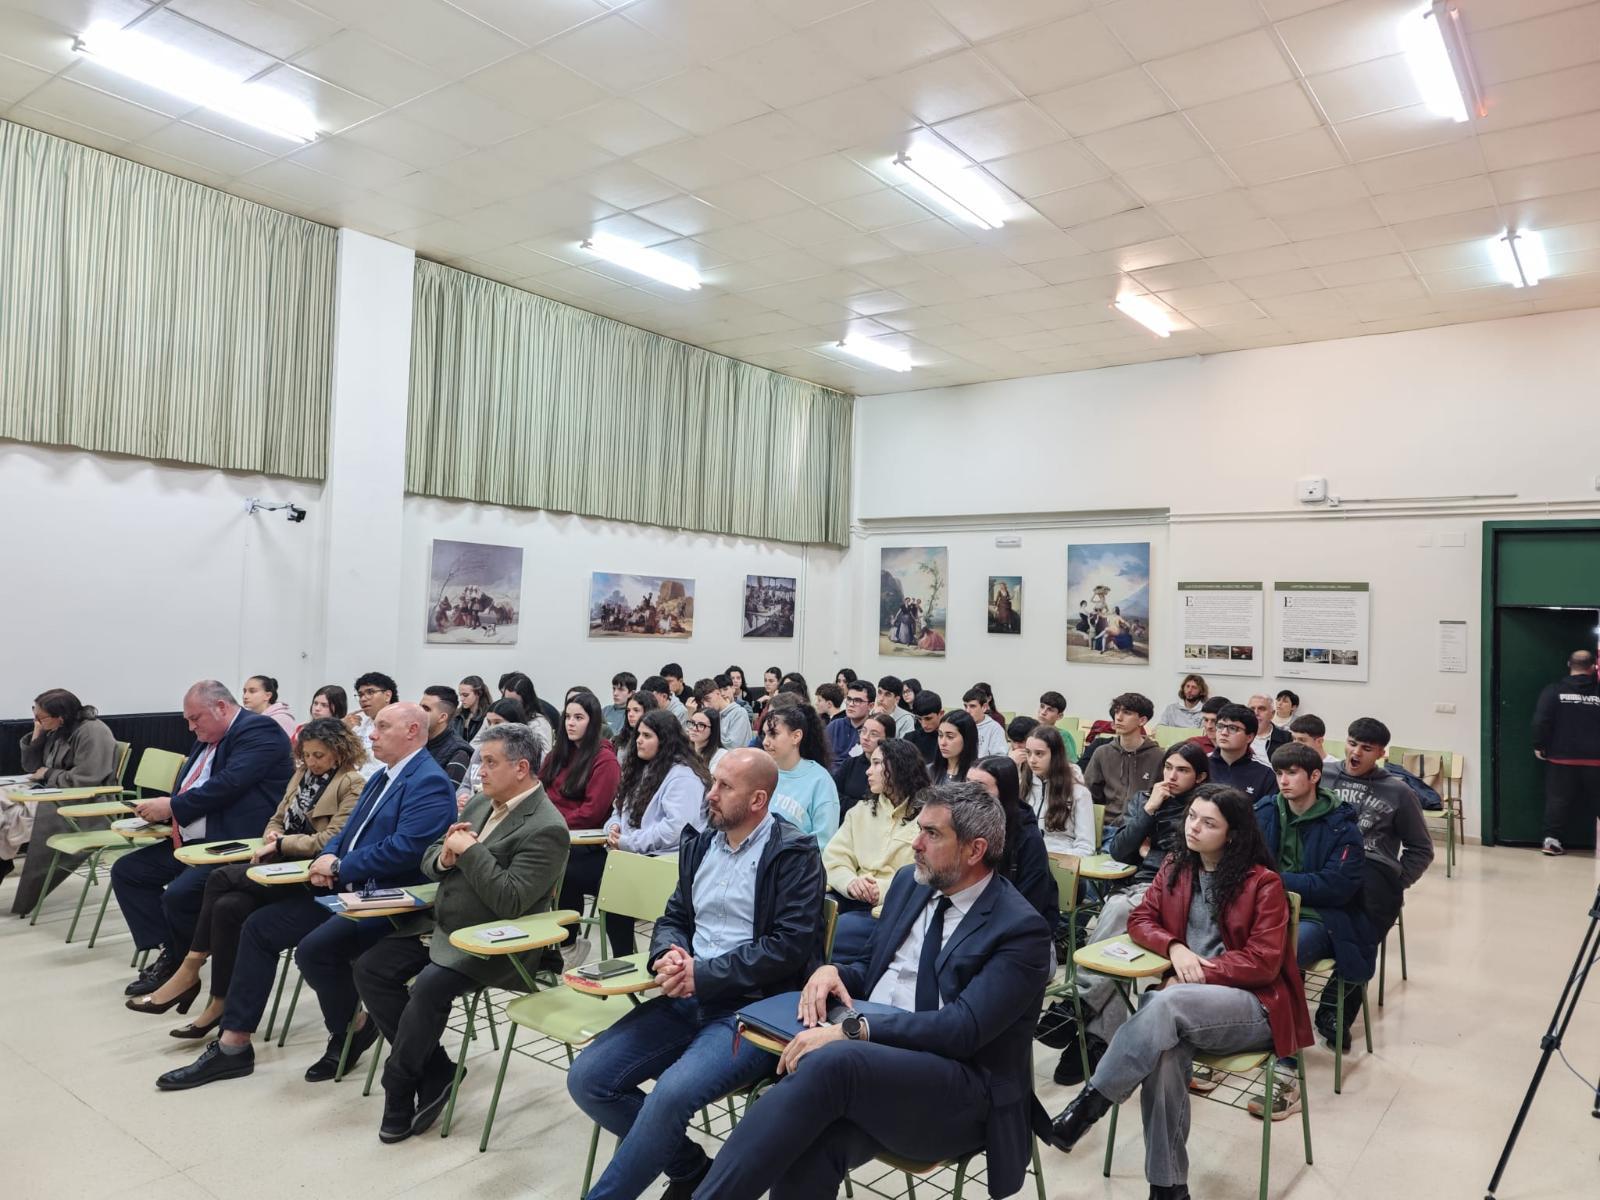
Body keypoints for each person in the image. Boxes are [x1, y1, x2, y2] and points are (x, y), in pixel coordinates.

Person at [694, 782, 1052, 1200]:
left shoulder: (1020, 929)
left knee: (833, 1064)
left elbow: (961, 1030)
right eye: (918, 829)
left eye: (932, 834)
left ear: (975, 850)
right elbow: (870, 968)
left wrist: (854, 1031)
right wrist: (833, 972)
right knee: (812, 1141)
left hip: (961, 1091)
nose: (915, 843)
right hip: (876, 1065)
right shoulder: (910, 883)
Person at [566, 748, 826, 1200]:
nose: (711, 794)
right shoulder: (703, 843)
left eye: (725, 786)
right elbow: (674, 917)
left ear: (758, 800)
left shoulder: (793, 853)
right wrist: (668, 953)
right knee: (588, 1079)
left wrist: (702, 975)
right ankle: (690, 1169)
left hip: (752, 1011)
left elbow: (787, 948)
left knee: (670, 1096)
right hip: (685, 996)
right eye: (713, 783)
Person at [154, 703, 456, 1090]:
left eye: (382, 727)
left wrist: (339, 866)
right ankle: (234, 1044)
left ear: (412, 731)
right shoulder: (385, 775)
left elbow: (407, 849)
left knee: (314, 950)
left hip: (384, 899)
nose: (372, 734)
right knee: (253, 923)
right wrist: (328, 857)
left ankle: (351, 1028)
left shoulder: (429, 781)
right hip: (342, 887)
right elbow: (346, 833)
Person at [1046, 784, 1312, 1200]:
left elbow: (1263, 962)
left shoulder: (1263, 883)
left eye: (1209, 823)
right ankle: (1168, 1189)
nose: (1194, 828)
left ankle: (1089, 1105)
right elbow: (1141, 919)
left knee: (1163, 1001)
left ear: (1233, 834)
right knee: (1164, 1058)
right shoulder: (1176, 865)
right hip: (1182, 1010)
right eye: (1191, 817)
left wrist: (1196, 973)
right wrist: (1174, 948)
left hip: (1252, 1007)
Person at [355, 721, 569, 1142]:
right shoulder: (482, 803)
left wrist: (469, 851)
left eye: (490, 763)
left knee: (428, 988)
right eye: (479, 762)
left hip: (495, 943)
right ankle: (436, 1068)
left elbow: (511, 900)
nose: (479, 772)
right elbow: (433, 854)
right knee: (370, 968)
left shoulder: (547, 827)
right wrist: (447, 859)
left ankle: (398, 1086)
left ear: (521, 768)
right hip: (443, 926)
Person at [125, 719, 366, 1032]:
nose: (311, 762)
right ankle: (219, 1005)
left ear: (339, 752)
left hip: (310, 873)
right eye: (306, 755)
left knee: (220, 878)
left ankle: (189, 969)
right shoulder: (301, 775)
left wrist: (281, 843)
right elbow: (276, 817)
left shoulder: (352, 784)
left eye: (318, 755)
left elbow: (330, 839)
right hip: (280, 861)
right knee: (228, 907)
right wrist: (272, 835)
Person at [114, 681, 293, 998]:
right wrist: (163, 813)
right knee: (129, 872)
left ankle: (181, 966)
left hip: (235, 844)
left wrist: (172, 807)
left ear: (221, 707)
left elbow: (228, 784)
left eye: (195, 718)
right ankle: (171, 949)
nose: (190, 726)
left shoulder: (259, 730)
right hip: (192, 839)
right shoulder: (209, 736)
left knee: (179, 895)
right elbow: (192, 784)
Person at [1056, 742, 1212, 1085]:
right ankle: (1097, 1039)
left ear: (1200, 777)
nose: (1171, 775)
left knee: (1117, 908)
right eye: (1168, 767)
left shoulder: (1205, 808)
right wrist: (1150, 810)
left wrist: (1148, 851)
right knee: (1119, 940)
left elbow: (1189, 859)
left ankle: (1080, 1001)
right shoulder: (1146, 798)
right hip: (1140, 885)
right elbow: (1120, 850)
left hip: (1181, 892)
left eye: (1182, 770)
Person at [1250, 741, 1371, 1113]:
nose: (1283, 781)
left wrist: (1273, 881)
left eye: (1292, 773)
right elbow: (1244, 863)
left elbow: (1337, 886)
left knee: (1281, 959)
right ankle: (1234, 1038)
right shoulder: (1266, 811)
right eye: (1279, 773)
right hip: (1265, 911)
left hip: (1321, 918)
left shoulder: (1341, 825)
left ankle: (1286, 1066)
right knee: (1223, 949)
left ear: (1315, 776)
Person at [1320, 718, 1433, 1046]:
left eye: (1366, 748)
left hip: (1372, 873)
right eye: (1352, 744)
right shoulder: (1322, 776)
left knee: (1363, 926)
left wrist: (1398, 881)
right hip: (1324, 867)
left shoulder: (1399, 791)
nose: (1356, 752)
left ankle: (1335, 1011)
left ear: (1381, 753)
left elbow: (1421, 849)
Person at [7, 688, 118, 905]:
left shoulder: (93, 732)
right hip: (57, 793)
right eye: (35, 715)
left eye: (41, 717)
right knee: (5, 809)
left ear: (61, 716)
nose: (37, 721)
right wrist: (38, 734)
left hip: (87, 802)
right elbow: (31, 766)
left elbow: (87, 778)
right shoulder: (58, 729)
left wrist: (48, 774)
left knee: (11, 817)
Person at [824, 738, 926, 961]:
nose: (868, 771)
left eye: (877, 763)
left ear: (899, 767)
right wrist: (851, 882)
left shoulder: (927, 818)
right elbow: (834, 858)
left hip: (891, 908)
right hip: (849, 896)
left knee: (830, 935)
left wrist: (880, 889)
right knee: (803, 920)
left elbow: (924, 876)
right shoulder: (860, 811)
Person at [544, 691, 623, 966]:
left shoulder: (605, 760)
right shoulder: (557, 754)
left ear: (593, 722)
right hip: (552, 835)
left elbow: (592, 812)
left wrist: (551, 822)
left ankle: (568, 945)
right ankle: (536, 942)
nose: (570, 723)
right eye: (567, 717)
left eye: (579, 717)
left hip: (585, 844)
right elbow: (537, 791)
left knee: (565, 870)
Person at [968, 756, 1059, 937]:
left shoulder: (1028, 838)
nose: (968, 793)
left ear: (1003, 791)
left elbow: (1029, 903)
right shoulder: (963, 827)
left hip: (1019, 930)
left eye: (979, 787)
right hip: (973, 921)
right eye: (967, 783)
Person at [1533, 649, 1600, 856]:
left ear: (1569, 664)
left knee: (1557, 802)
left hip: (1561, 759)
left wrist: (1539, 745)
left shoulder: (1553, 691)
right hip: (1596, 760)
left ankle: (1552, 841)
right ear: (1594, 667)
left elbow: (1541, 721)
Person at [762, 703, 839, 846]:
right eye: (764, 734)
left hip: (796, 858)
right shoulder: (761, 771)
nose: (765, 742)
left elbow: (824, 842)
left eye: (773, 734)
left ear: (796, 736)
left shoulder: (820, 781)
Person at [1083, 693, 1163, 827]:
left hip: (1141, 827)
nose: (1118, 718)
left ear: (1142, 720)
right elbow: (1088, 795)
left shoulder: (1158, 757)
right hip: (1105, 826)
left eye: (1127, 713)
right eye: (1117, 711)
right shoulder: (1102, 753)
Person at [1023, 724, 1095, 856]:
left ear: (1055, 755)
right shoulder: (1023, 785)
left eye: (1039, 754)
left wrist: (1051, 857)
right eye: (1028, 753)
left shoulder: (1079, 793)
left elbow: (1085, 847)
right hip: (1024, 858)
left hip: (1060, 860)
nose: (1032, 760)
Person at [459, 697, 527, 805]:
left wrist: (475, 803)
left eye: (497, 722)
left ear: (514, 725)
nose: (491, 728)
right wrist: (463, 796)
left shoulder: (522, 754)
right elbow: (465, 785)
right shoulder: (480, 750)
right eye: (489, 722)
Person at [1206, 703, 1278, 802]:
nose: (1224, 733)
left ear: (1249, 737)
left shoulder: (1266, 773)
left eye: (1232, 728)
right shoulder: (1201, 763)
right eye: (1220, 726)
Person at [833, 712, 894, 824]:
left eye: (873, 734)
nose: (865, 737)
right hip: (845, 822)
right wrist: (862, 805)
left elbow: (883, 807)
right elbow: (833, 796)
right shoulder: (850, 763)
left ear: (888, 739)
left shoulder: (891, 769)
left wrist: (850, 803)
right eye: (863, 731)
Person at [419, 685, 474, 787]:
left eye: (426, 709)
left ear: (442, 717)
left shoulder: (459, 753)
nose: (419, 712)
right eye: (419, 707)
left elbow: (447, 794)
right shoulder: (416, 742)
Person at [347, 672, 397, 779]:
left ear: (387, 696)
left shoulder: (400, 724)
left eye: (370, 692)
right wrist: (342, 729)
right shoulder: (357, 722)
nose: (363, 699)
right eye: (360, 695)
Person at [826, 680, 873, 776]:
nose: (851, 704)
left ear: (870, 706)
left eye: (857, 701)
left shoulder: (872, 731)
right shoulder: (834, 726)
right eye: (849, 699)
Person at [500, 672, 556, 751]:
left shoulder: (539, 724)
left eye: (515, 702)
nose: (510, 705)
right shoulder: (500, 717)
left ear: (526, 702)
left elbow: (544, 755)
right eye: (507, 700)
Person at [704, 673, 751, 749]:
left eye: (725, 689)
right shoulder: (713, 712)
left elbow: (733, 745)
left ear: (733, 689)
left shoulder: (740, 712)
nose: (722, 694)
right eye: (719, 691)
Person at [935, 710, 979, 783]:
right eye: (940, 735)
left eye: (950, 737)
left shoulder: (976, 776)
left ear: (967, 739)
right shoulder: (929, 771)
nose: (942, 743)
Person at [1247, 695, 1293, 765]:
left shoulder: (1286, 738)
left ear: (1272, 714)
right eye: (1252, 709)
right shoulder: (1239, 735)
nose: (1256, 713)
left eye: (1261, 709)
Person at [963, 687, 1007, 758]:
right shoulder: (962, 725)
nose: (967, 711)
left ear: (984, 707)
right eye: (965, 706)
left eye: (972, 706)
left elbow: (999, 757)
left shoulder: (995, 729)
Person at [907, 690, 942, 771]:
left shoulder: (949, 740)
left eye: (928, 718)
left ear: (941, 713)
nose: (924, 725)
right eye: (919, 719)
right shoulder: (910, 738)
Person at [687, 706, 727, 776]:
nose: (694, 728)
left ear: (713, 730)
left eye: (701, 725)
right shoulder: (684, 750)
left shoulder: (721, 755)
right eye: (692, 723)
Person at [453, 675, 490, 744]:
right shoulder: (456, 715)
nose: (461, 699)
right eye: (460, 695)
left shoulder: (489, 716)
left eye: (465, 695)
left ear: (478, 693)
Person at [603, 672, 637, 738]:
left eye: (621, 689)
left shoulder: (632, 714)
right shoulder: (605, 710)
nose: (615, 693)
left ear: (631, 693)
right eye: (614, 689)